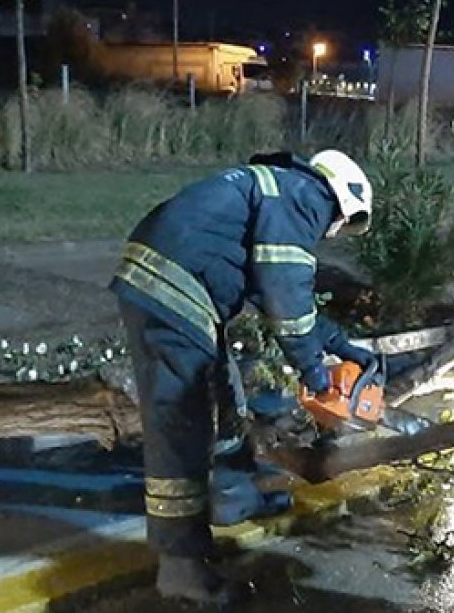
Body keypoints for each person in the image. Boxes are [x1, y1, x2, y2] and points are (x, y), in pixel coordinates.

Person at [110, 149, 378, 606]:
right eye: (339, 222)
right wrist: (314, 372)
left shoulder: (273, 190)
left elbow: (276, 292)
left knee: (224, 398)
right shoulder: (303, 196)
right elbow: (286, 299)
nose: (331, 231)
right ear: (339, 199)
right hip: (174, 289)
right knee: (181, 427)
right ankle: (180, 569)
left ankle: (232, 495)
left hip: (174, 284)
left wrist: (342, 346)